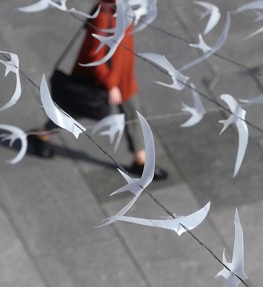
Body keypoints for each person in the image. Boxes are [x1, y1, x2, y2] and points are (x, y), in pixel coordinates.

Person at [29, 0, 168, 180]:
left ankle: (140, 161)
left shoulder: (122, 10)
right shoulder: (103, 16)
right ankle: (40, 135)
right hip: (103, 81)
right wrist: (111, 86)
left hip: (123, 79)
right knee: (74, 113)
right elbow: (96, 57)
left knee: (132, 116)